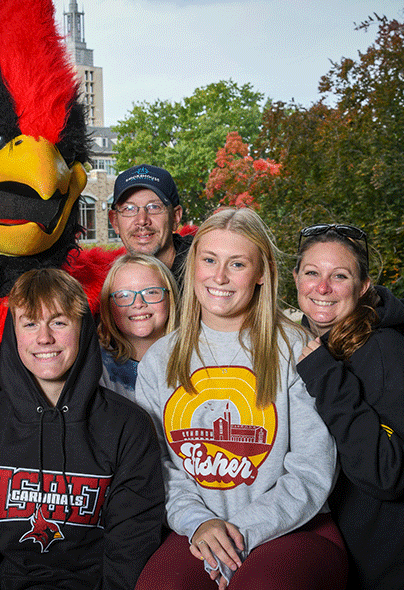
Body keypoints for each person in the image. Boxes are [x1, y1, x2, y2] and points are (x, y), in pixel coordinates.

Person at [134, 208, 347, 590]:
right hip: (197, 531)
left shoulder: (295, 349)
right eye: (210, 260)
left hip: (294, 527)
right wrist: (199, 523)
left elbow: (312, 468)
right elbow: (158, 468)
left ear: (262, 273)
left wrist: (241, 533)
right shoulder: (159, 360)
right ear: (193, 264)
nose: (219, 277)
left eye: (237, 264)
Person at [0, 268, 165, 590]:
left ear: (82, 329)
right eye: (30, 323)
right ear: (14, 335)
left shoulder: (129, 428)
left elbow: (130, 555)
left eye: (58, 321)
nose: (44, 338)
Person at [292, 223, 404, 590]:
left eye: (339, 276)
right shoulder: (319, 346)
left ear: (363, 287)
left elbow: (388, 474)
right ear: (295, 278)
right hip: (359, 557)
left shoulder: (387, 353)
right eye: (312, 273)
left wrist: (326, 379)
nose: (322, 287)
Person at [98, 252, 179, 399]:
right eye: (124, 295)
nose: (138, 303)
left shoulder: (196, 357)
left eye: (151, 292)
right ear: (108, 305)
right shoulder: (96, 366)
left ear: (170, 297)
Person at [108, 164, 192, 286]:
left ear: (175, 217)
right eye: (129, 208)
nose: (142, 220)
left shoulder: (205, 274)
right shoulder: (109, 288)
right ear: (115, 222)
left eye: (154, 207)